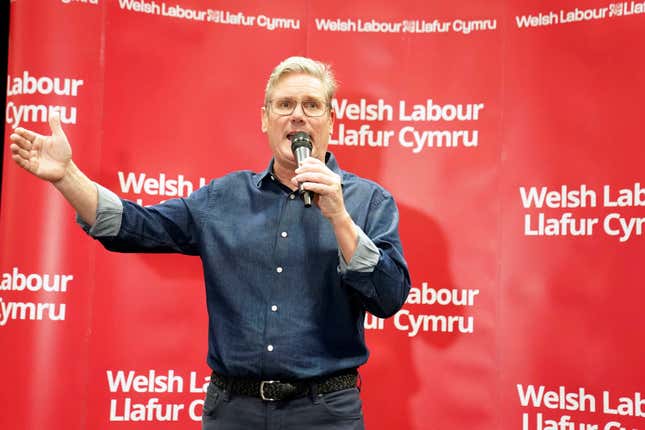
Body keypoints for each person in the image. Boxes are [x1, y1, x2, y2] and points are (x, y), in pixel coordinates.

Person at [9, 56, 411, 430]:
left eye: (312, 105)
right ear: (265, 119)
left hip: (324, 413)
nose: (298, 117)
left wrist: (340, 217)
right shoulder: (223, 198)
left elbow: (389, 297)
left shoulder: (368, 201)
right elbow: (133, 225)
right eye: (285, 105)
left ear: (331, 121)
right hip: (233, 412)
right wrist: (66, 176)